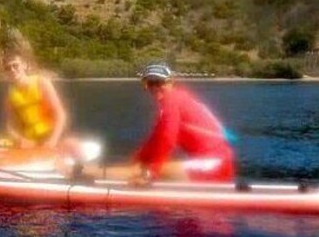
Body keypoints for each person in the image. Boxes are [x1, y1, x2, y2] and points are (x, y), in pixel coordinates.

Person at [82, 63, 235, 184]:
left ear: (171, 82)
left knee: (141, 170)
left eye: (159, 82)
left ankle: (85, 173)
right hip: (217, 163)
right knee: (138, 167)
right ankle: (90, 172)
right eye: (150, 84)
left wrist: (150, 173)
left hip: (214, 165)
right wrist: (135, 160)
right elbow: (155, 140)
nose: (155, 88)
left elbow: (167, 139)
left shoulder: (172, 101)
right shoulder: (176, 100)